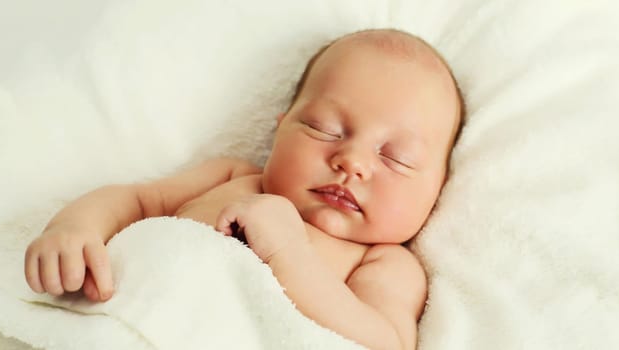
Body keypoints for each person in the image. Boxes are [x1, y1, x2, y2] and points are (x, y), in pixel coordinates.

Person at [24, 28, 465, 350]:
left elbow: (384, 341)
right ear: (281, 131)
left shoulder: (384, 261)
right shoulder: (231, 178)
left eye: (396, 158)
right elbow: (134, 200)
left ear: (438, 189)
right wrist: (74, 228)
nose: (351, 162)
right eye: (323, 129)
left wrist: (288, 253)